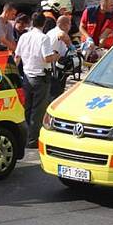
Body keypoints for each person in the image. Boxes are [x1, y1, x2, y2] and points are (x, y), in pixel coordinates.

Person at [15, 12, 58, 147]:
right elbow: (46, 58)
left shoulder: (24, 37)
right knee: (37, 110)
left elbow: (17, 57)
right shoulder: (43, 38)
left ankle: (24, 136)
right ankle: (32, 140)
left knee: (26, 109)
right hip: (40, 77)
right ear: (44, 24)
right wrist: (56, 56)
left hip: (26, 76)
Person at [47, 15, 72, 99]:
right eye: (69, 24)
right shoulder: (59, 32)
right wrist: (70, 45)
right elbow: (62, 35)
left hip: (51, 64)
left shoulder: (50, 32)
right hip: (55, 66)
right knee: (56, 92)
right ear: (65, 24)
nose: (70, 27)